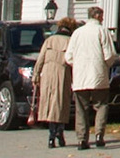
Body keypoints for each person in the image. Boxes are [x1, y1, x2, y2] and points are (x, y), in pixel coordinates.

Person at [65, 5, 118, 150]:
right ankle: (99, 135)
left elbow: (68, 56)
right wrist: (106, 65)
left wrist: (77, 65)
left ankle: (82, 139)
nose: (103, 18)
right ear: (96, 16)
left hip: (81, 76)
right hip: (98, 74)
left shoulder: (77, 33)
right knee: (101, 105)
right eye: (101, 16)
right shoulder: (102, 31)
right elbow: (109, 54)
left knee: (81, 108)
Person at [34, 17, 77, 149]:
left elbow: (40, 59)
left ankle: (52, 135)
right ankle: (58, 132)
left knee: (49, 103)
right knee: (60, 104)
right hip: (63, 73)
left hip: (47, 73)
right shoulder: (70, 41)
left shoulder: (49, 40)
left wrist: (36, 75)